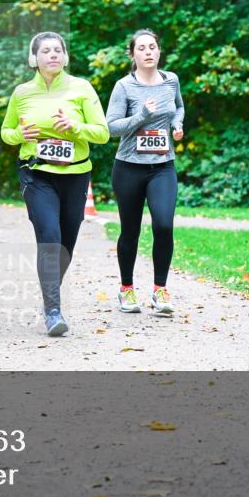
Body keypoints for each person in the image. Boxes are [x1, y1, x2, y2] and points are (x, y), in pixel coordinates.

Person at [0, 32, 110, 336]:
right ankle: (53, 310)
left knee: (66, 245)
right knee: (49, 234)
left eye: (58, 50)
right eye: (46, 51)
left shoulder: (82, 88)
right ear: (34, 58)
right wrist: (23, 135)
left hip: (75, 175)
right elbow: (6, 133)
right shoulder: (22, 93)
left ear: (65, 56)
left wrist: (74, 127)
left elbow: (102, 132)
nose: (53, 55)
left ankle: (49, 291)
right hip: (36, 174)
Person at [105, 28, 184, 316]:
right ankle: (126, 289)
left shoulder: (171, 80)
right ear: (133, 54)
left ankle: (160, 290)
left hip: (162, 167)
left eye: (152, 47)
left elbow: (179, 108)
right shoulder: (124, 86)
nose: (148, 52)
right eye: (142, 48)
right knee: (131, 230)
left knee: (164, 224)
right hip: (128, 167)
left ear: (159, 51)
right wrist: (142, 116)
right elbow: (111, 127)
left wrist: (177, 125)